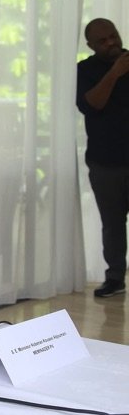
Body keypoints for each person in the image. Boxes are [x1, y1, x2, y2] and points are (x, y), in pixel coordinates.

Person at [76, 18, 129, 298]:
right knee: (113, 224)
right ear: (91, 45)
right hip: (105, 162)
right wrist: (115, 73)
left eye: (113, 36)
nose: (111, 43)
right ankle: (115, 278)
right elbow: (91, 104)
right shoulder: (85, 70)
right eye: (103, 41)